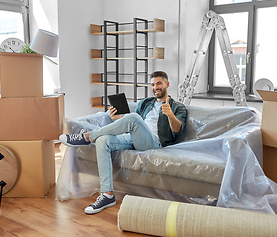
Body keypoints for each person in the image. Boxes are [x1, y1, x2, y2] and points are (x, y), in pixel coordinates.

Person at [59, 71, 187, 214]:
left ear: (167, 84)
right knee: (103, 140)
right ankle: (107, 195)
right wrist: (118, 119)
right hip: (134, 137)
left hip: (154, 142)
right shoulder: (146, 103)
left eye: (159, 83)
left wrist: (170, 114)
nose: (155, 87)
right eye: (152, 84)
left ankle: (87, 137)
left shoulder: (177, 107)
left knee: (132, 117)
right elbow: (134, 124)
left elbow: (177, 131)